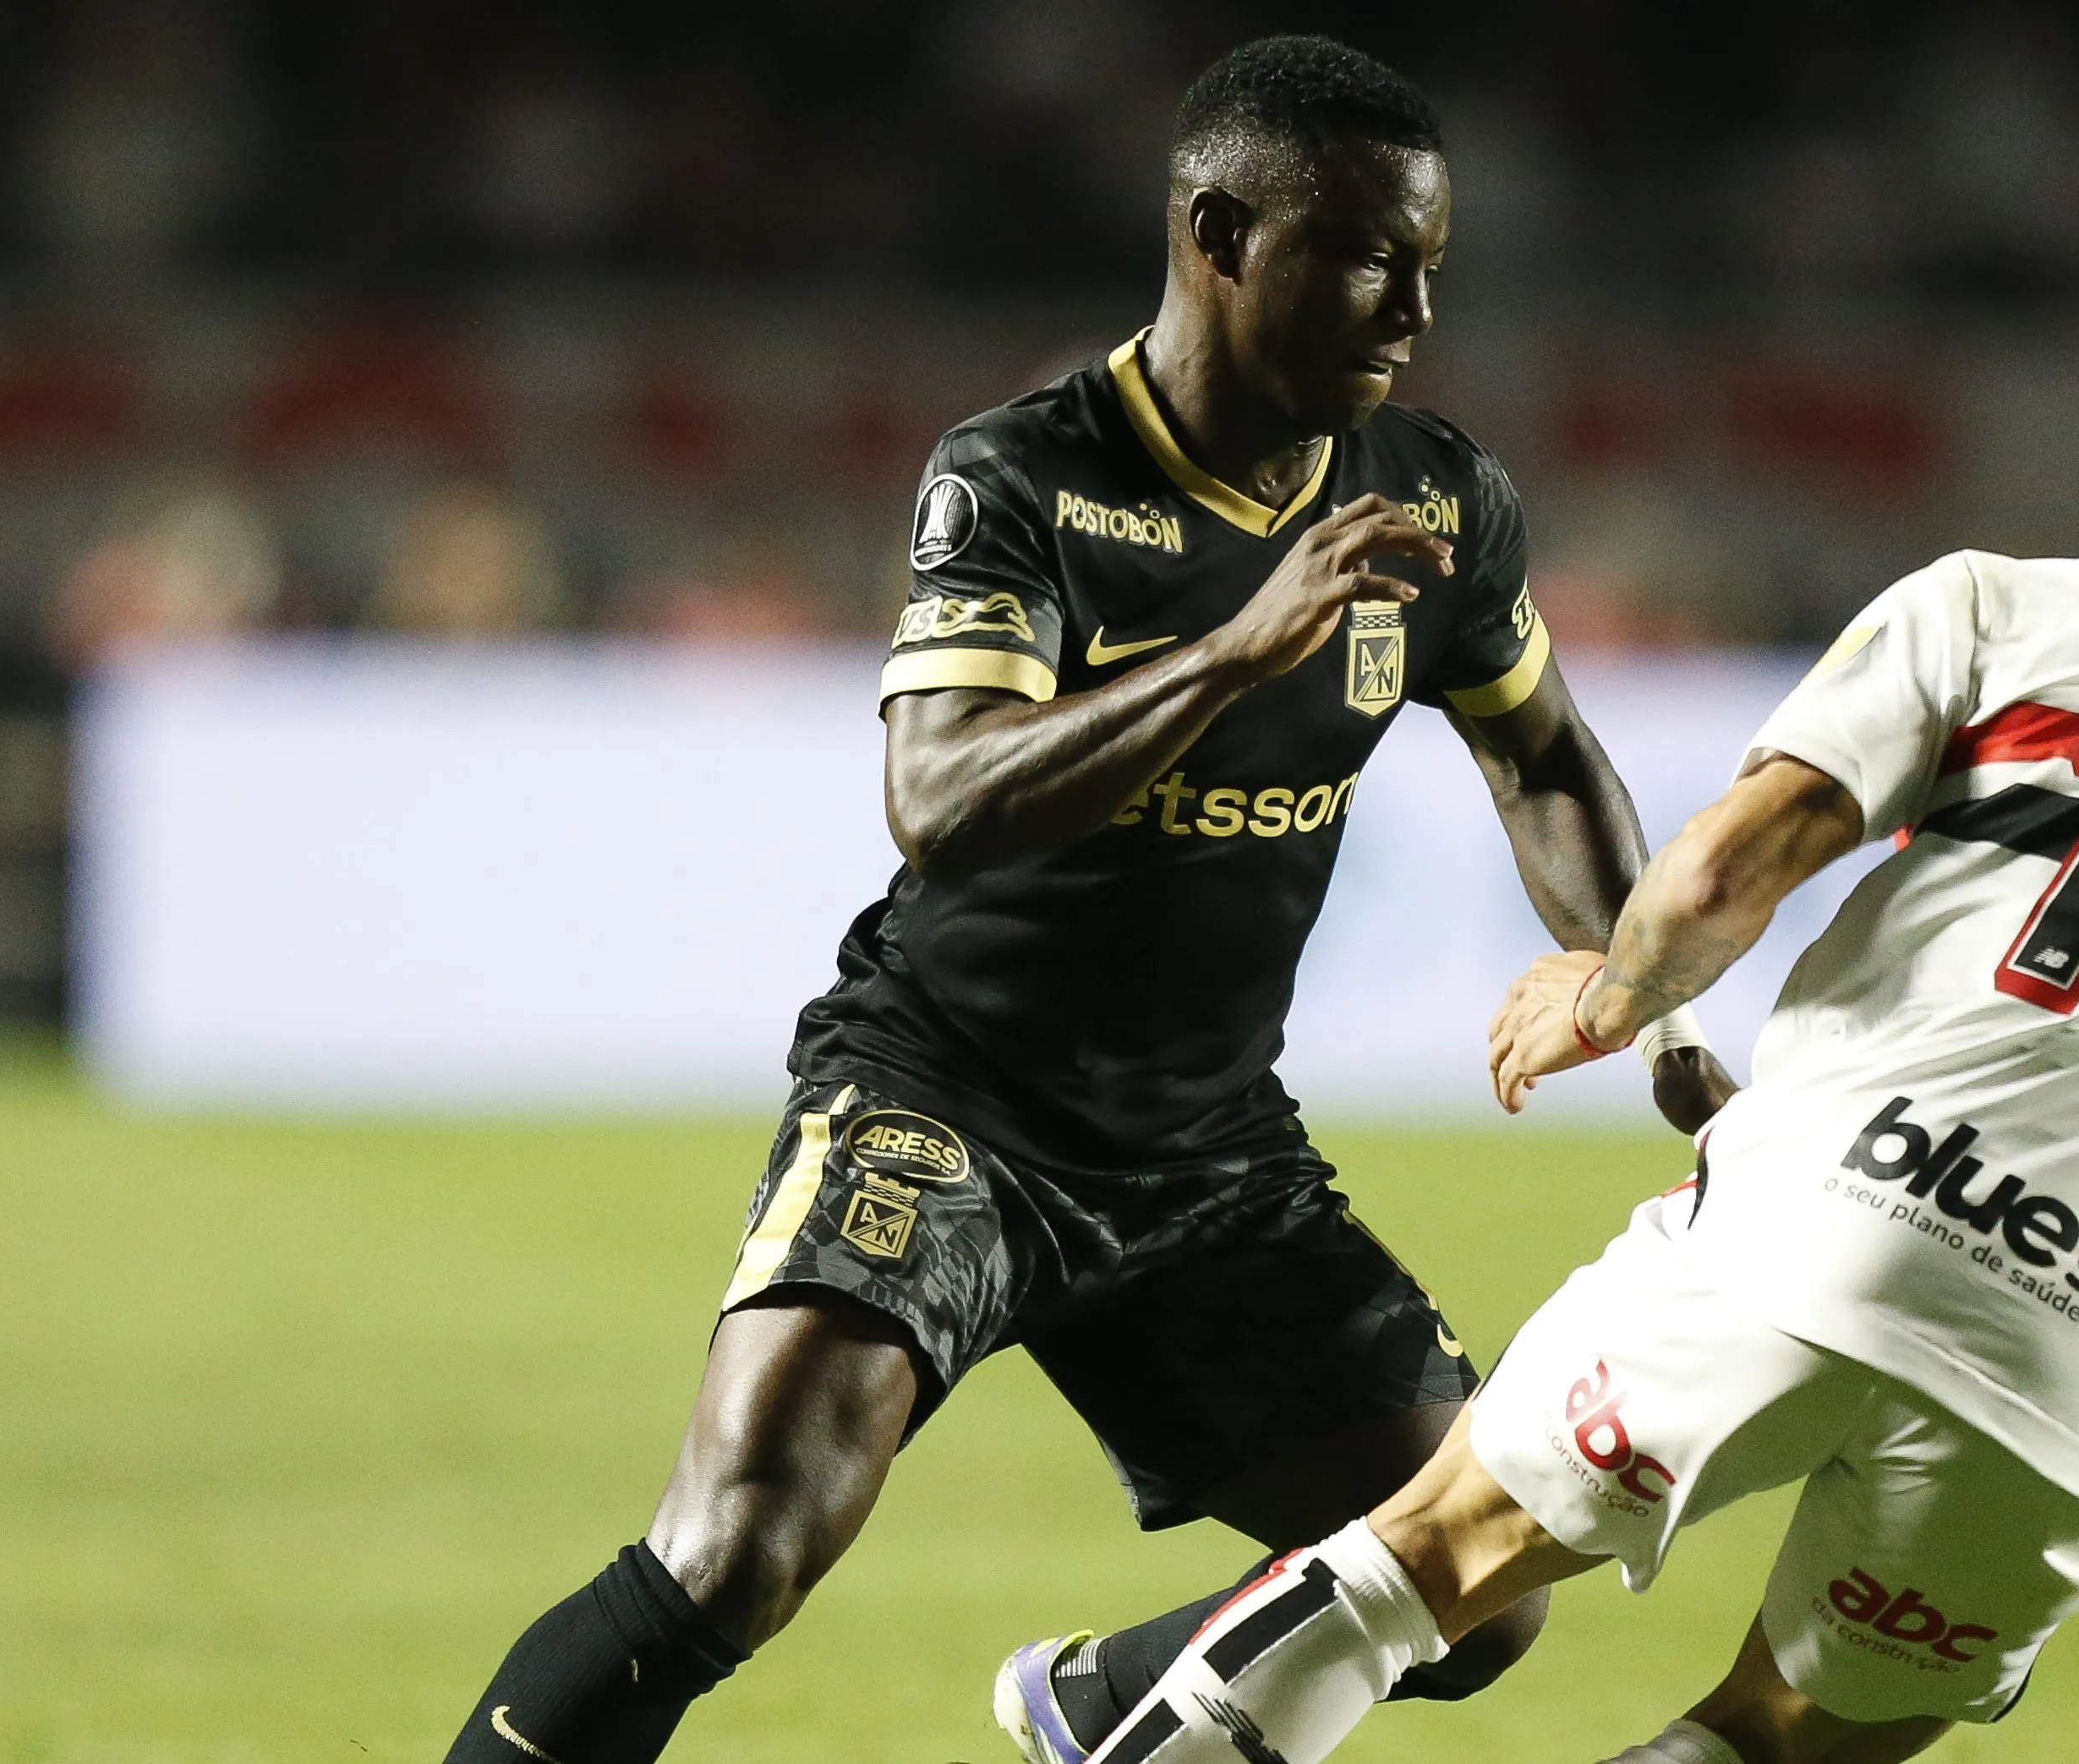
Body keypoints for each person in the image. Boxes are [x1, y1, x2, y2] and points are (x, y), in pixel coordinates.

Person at [1074, 299, 2079, 1764]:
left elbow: (1721, 868)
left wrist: (1608, 998)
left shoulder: (2006, 611)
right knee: (1774, 1743)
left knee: (1419, 1564)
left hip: (1832, 1224)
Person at [440, 36, 1733, 1764]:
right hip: (948, 1100)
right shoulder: (1024, 476)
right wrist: (1234, 648)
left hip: (1208, 1151)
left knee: (1478, 1590)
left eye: (1430, 267)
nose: (1412, 308)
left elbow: (1547, 755)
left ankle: (1115, 1700)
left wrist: (1640, 988)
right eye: (1367, 257)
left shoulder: (1432, 495)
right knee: (735, 1547)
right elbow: (941, 800)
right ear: (1217, 232)